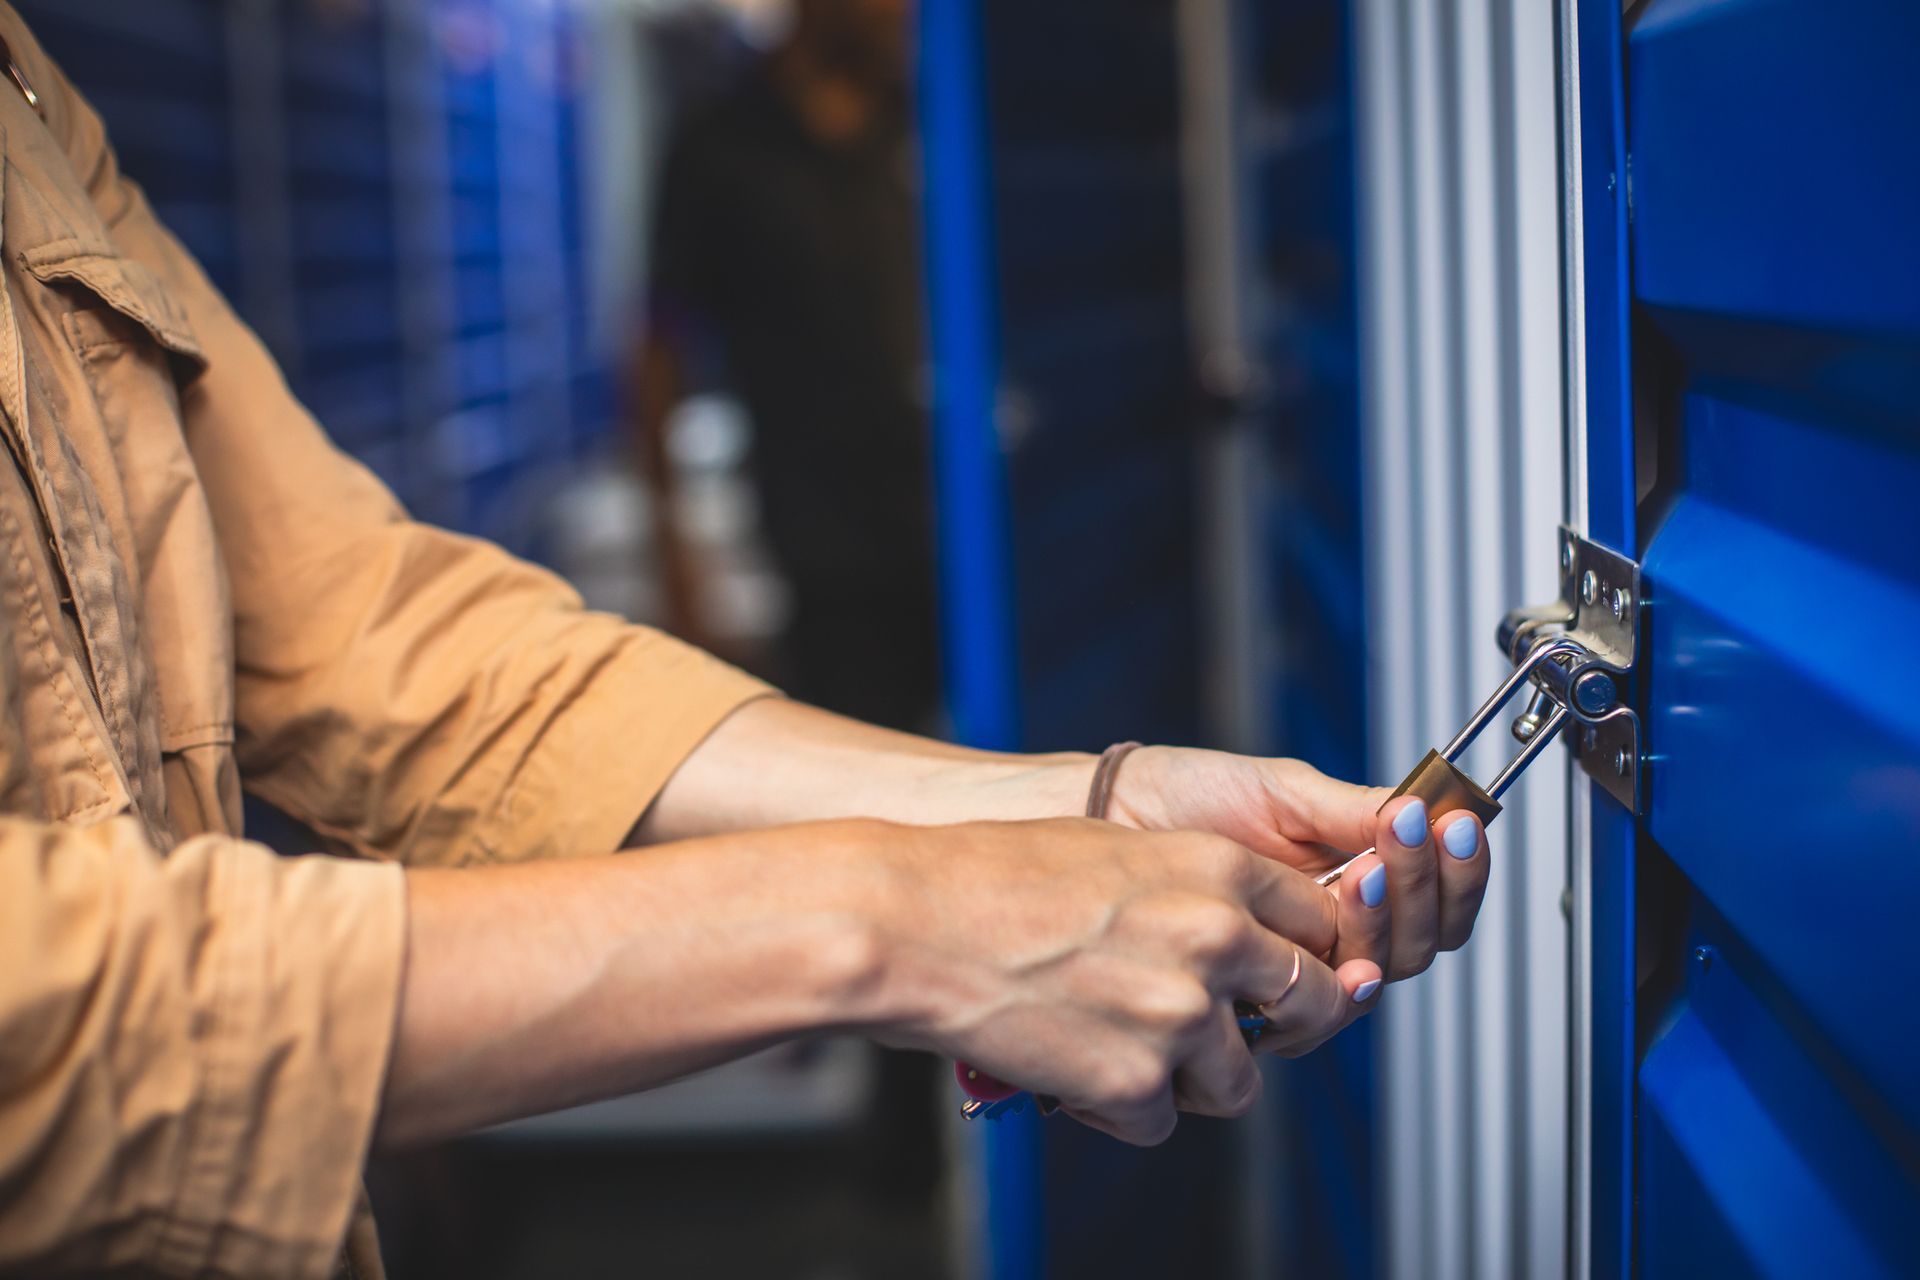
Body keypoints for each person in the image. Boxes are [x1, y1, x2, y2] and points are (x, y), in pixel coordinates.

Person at [0, 7, 1492, 1278]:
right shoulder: (719, 149)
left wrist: (1086, 802)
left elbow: (376, 638)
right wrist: (889, 919)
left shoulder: (25, 90)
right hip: (819, 555)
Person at [635, 0, 937, 731]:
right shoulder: (720, 144)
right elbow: (658, 345)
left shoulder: (934, 121)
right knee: (873, 761)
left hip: (961, 514)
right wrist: (673, 546)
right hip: (823, 541)